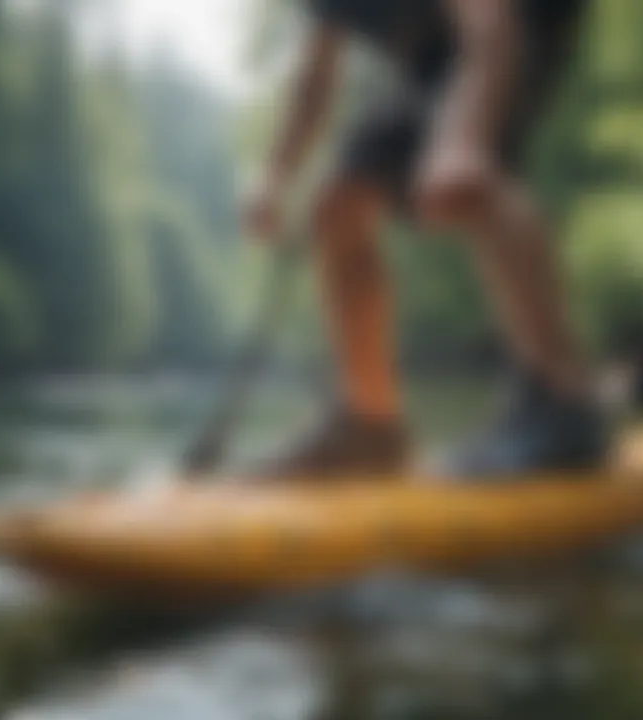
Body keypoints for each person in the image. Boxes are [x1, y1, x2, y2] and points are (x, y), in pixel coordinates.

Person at [243, 0, 606, 479]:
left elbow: (493, 28)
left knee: (470, 176)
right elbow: (314, 81)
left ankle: (566, 406)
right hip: (438, 57)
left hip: (514, 22)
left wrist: (466, 139)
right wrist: (275, 176)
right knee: (338, 204)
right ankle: (373, 428)